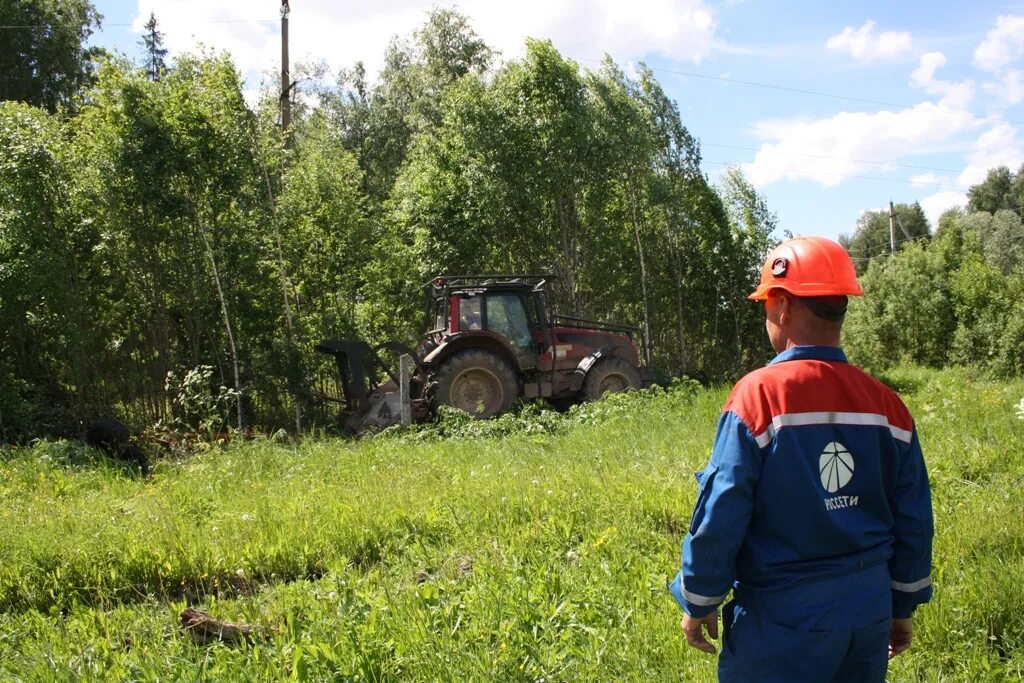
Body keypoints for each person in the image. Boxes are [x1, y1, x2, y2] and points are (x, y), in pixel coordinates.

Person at [668, 236, 933, 682]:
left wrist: (699, 599)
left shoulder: (759, 397)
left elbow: (723, 509)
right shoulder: (888, 405)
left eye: (766, 305)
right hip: (867, 613)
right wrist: (901, 605)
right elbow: (913, 518)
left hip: (780, 620)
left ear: (784, 306)